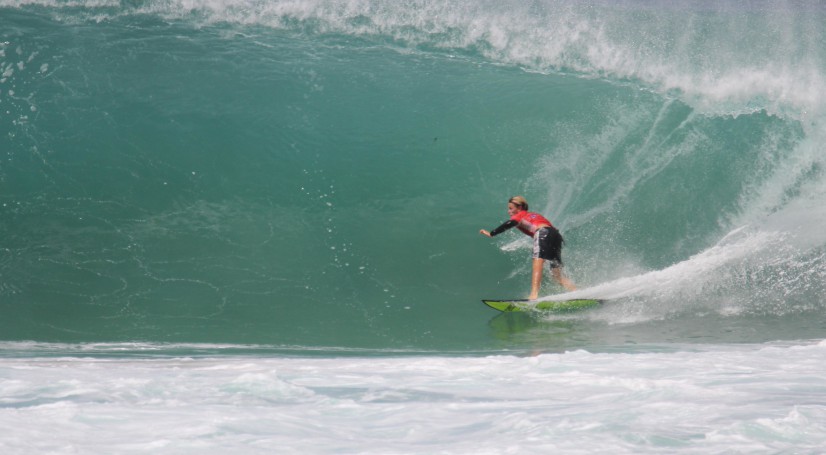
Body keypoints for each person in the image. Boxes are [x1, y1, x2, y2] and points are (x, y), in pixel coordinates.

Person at [480, 196, 576, 299]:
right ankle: (577, 291)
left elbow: (511, 223)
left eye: (511, 208)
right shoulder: (534, 215)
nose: (509, 211)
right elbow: (550, 229)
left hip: (543, 233)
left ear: (520, 207)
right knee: (557, 276)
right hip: (556, 236)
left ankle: (533, 295)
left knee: (537, 260)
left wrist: (492, 233)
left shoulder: (519, 215)